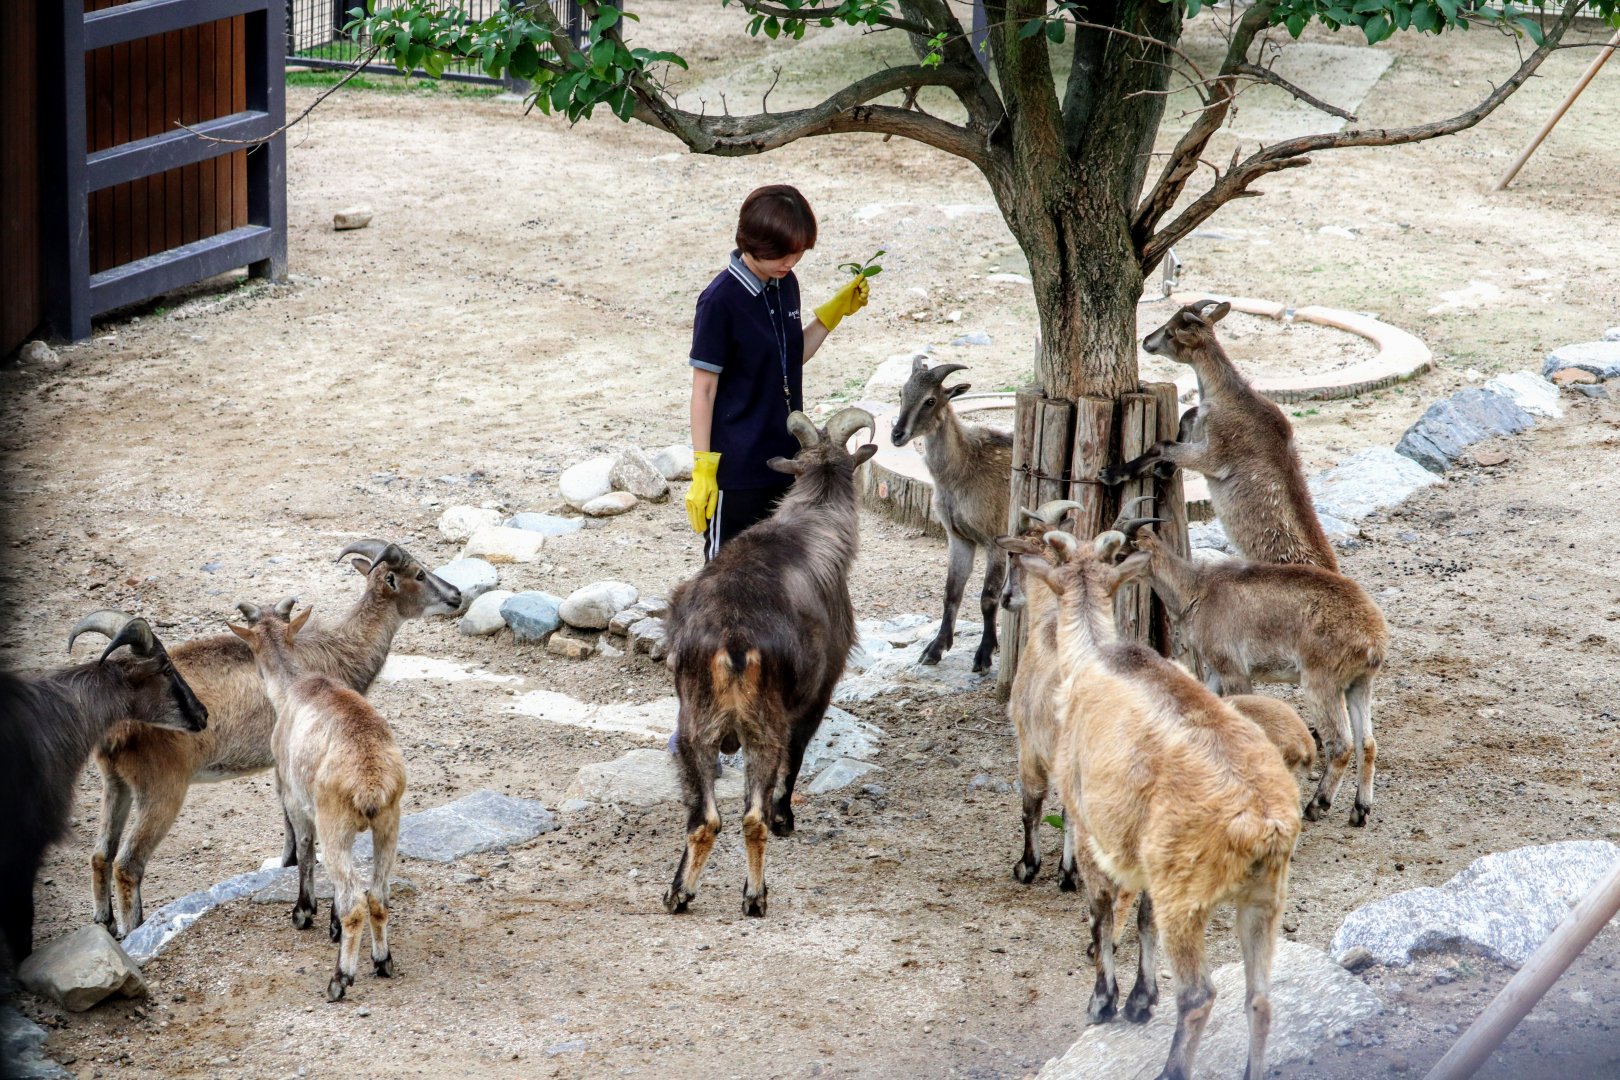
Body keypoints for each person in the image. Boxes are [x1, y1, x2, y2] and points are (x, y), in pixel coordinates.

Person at [683, 184, 871, 559]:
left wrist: (832, 314)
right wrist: (703, 467)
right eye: (783, 255)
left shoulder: (784, 284)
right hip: (737, 470)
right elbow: (703, 390)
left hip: (788, 462)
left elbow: (789, 359)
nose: (791, 263)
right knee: (727, 572)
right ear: (754, 243)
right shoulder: (719, 302)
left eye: (797, 254)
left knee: (782, 570)